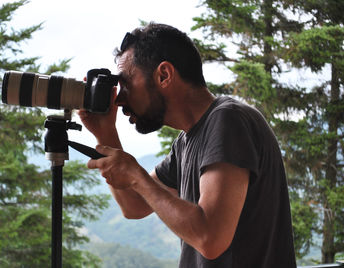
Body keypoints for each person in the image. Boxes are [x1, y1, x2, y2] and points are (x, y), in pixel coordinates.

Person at [78, 23, 297, 267]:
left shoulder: (228, 120)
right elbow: (134, 205)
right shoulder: (186, 141)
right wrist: (106, 133)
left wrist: (136, 176)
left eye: (126, 83)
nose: (119, 99)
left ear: (164, 75)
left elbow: (210, 238)